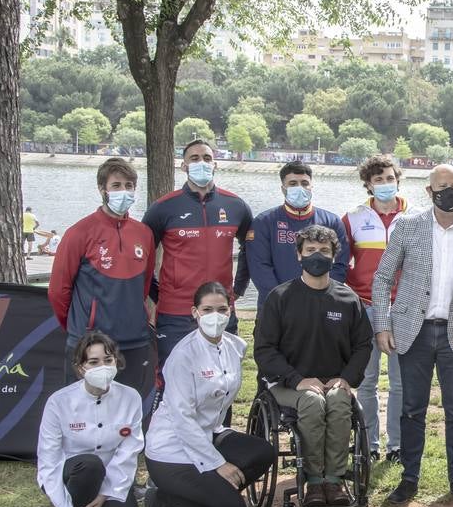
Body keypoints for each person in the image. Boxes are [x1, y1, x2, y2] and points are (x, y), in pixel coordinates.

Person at [371, 164, 453, 507]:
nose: (449, 192)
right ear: (429, 192)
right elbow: (383, 279)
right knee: (412, 409)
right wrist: (382, 325)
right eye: (442, 187)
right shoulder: (407, 226)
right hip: (412, 331)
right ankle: (409, 478)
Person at [141, 282, 276, 507]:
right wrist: (217, 464)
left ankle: (214, 490)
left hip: (209, 433)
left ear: (230, 310)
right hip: (171, 449)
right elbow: (183, 419)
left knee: (263, 452)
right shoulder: (183, 355)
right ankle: (165, 497)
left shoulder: (236, 346)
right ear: (195, 313)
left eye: (222, 309)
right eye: (207, 310)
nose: (215, 316)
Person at [254, 224, 373, 507]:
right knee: (311, 401)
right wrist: (296, 380)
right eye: (310, 251)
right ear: (298, 255)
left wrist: (345, 379)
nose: (316, 256)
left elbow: (363, 345)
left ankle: (334, 478)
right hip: (287, 385)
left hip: (333, 381)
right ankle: (314, 481)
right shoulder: (280, 298)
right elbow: (265, 350)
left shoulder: (348, 299)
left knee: (339, 401)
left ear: (334, 257)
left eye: (323, 251)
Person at [47, 157, 157, 412]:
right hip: (90, 341)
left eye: (129, 186)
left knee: (129, 409)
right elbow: (58, 291)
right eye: (116, 185)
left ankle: (128, 452)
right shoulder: (79, 232)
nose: (124, 191)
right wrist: (79, 328)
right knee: (81, 410)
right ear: (102, 189)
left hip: (134, 339)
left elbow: (143, 285)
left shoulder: (144, 233)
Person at [142, 138, 253, 368]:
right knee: (173, 383)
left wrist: (239, 289)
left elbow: (249, 248)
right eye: (194, 158)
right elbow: (142, 255)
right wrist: (155, 293)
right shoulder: (163, 207)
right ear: (183, 166)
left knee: (223, 383)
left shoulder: (236, 206)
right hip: (175, 313)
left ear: (215, 164)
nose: (201, 162)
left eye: (206, 158)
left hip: (221, 311)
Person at [36, 331, 144, 507]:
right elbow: (49, 461)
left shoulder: (130, 397)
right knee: (90, 464)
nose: (102, 367)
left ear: (117, 361)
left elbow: (128, 452)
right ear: (80, 367)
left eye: (108, 360)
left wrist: (105, 495)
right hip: (72, 473)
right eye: (93, 362)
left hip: (109, 478)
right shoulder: (59, 402)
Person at [344, 154, 408, 463]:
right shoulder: (353, 217)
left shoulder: (417, 217)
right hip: (364, 306)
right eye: (378, 179)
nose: (385, 184)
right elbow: (341, 264)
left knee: (399, 382)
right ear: (368, 184)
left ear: (397, 178)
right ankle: (369, 444)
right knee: (366, 381)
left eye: (389, 177)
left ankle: (396, 446)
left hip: (401, 308)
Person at [243, 161, 348, 312]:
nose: (300, 187)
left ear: (311, 186)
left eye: (304, 183)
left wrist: (321, 295)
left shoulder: (331, 221)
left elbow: (340, 265)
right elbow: (259, 267)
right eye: (293, 183)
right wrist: (283, 299)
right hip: (275, 306)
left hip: (320, 305)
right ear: (283, 189)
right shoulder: (264, 222)